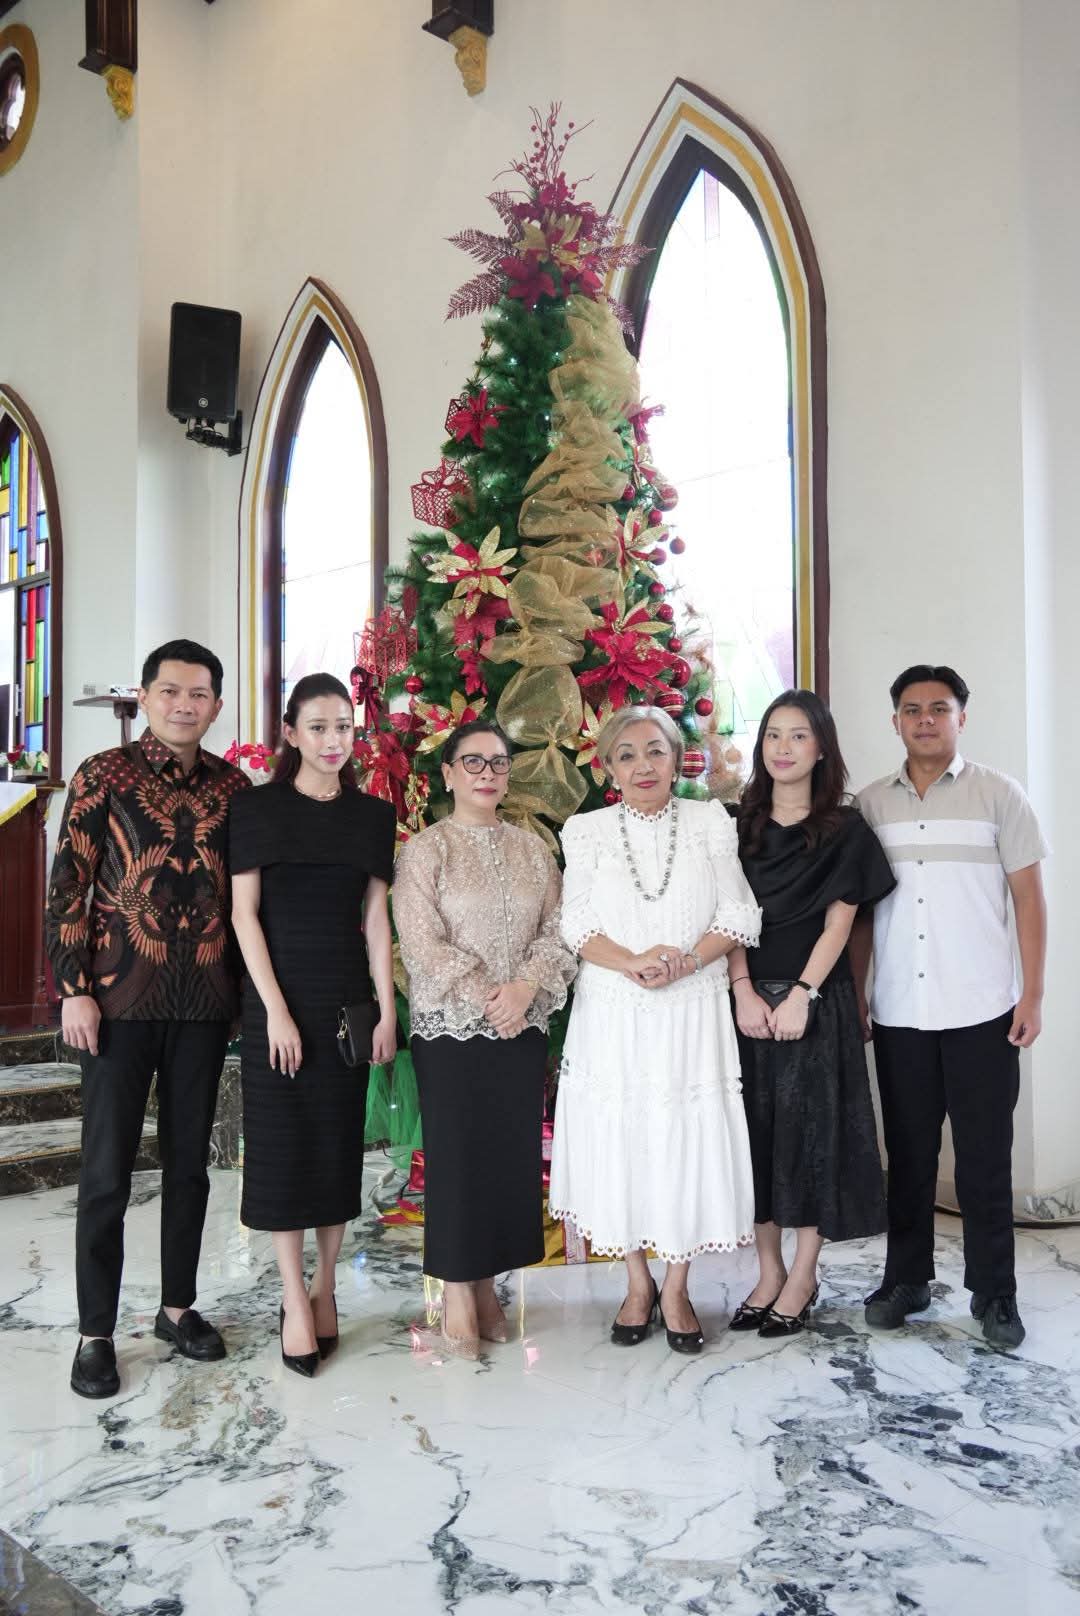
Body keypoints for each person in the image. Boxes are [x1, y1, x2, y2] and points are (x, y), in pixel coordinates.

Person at [45, 639, 250, 1399]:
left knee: (190, 1167)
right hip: (117, 1002)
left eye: (198, 694)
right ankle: (95, 1332)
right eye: (169, 691)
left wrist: (243, 997)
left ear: (216, 706)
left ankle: (177, 1307)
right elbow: (69, 886)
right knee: (106, 1172)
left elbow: (247, 901)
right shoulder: (103, 774)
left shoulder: (235, 788)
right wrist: (73, 988)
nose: (183, 705)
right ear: (145, 695)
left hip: (204, 1005)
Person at [548, 706, 761, 1354]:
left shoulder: (709, 821)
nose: (643, 766)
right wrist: (632, 961)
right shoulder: (585, 830)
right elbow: (575, 923)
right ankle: (637, 1284)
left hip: (692, 1008)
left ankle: (677, 1287)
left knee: (681, 1142)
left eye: (655, 751)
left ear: (676, 758)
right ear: (608, 768)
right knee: (625, 1141)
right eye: (627, 755)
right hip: (615, 1009)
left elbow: (738, 912)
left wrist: (686, 961)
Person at [852, 665, 1048, 1350]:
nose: (926, 720)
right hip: (900, 1010)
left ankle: (995, 1293)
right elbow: (861, 913)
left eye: (940, 708)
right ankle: (905, 1280)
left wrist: (1032, 993)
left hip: (983, 1011)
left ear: (962, 717)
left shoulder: (1000, 795)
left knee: (984, 1161)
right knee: (907, 1157)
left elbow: (1029, 899)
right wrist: (858, 991)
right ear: (896, 721)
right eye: (912, 709)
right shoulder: (870, 805)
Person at [392, 719, 577, 1358]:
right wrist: (487, 996)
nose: (487, 773)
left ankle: (489, 1289)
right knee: (457, 1162)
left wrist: (525, 989)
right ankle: (457, 1295)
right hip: (452, 1028)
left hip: (520, 1027)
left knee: (506, 1162)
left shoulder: (533, 851)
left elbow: (559, 929)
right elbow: (421, 941)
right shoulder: (426, 851)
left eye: (498, 762)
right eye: (472, 762)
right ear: (447, 774)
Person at [229, 674, 396, 1377]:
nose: (333, 740)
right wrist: (274, 1009)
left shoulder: (372, 815)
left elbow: (376, 922)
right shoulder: (255, 808)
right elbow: (244, 916)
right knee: (280, 1150)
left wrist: (386, 1008)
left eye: (344, 727)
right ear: (291, 733)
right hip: (278, 1000)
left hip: (345, 1003)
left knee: (334, 1147)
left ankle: (326, 1286)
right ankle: (293, 1299)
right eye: (319, 727)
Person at [725, 691, 895, 1337]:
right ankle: (768, 1272)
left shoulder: (846, 829)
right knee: (756, 1139)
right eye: (773, 734)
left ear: (821, 747)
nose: (784, 747)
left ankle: (803, 1275)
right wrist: (743, 991)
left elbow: (839, 924)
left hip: (815, 1003)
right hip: (745, 1004)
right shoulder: (736, 825)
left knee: (813, 1139)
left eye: (799, 735)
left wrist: (801, 995)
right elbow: (725, 917)